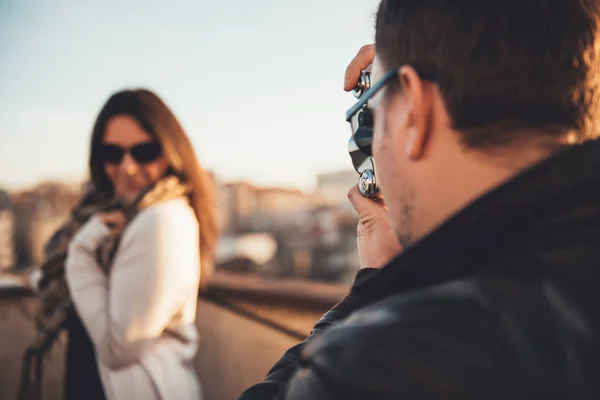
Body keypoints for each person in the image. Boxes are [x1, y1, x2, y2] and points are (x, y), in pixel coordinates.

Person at [239, 1, 600, 399]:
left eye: (370, 114)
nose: (371, 144)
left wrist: (371, 290)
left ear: (413, 109)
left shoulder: (380, 366)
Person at [20, 89, 217, 400]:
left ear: (169, 153)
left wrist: (82, 251)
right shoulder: (110, 213)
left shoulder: (160, 221)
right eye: (112, 154)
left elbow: (117, 350)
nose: (126, 167)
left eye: (144, 152)